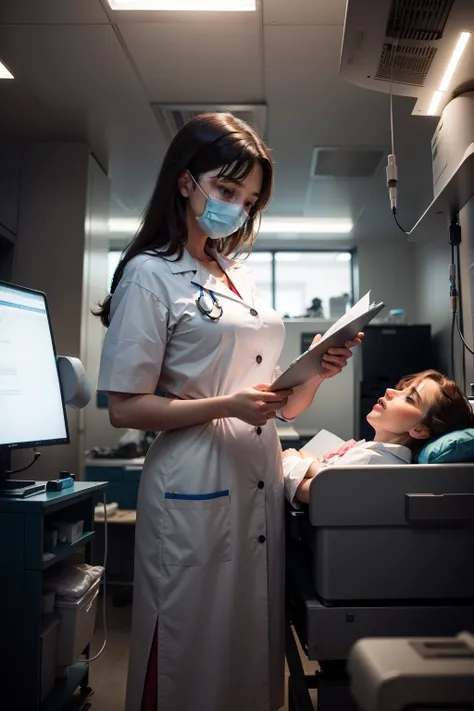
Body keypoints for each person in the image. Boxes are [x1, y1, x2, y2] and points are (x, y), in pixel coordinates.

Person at [95, 112, 362, 711]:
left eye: (248, 199)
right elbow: (123, 406)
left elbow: (269, 403)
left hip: (254, 478)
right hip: (193, 482)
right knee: (192, 656)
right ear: (185, 182)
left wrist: (316, 371)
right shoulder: (149, 275)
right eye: (226, 190)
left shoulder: (235, 275)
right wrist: (229, 405)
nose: (237, 208)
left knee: (248, 653)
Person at [283, 369, 474, 505]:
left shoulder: (372, 461)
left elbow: (313, 491)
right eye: (401, 388)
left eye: (409, 398)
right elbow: (327, 473)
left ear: (420, 430)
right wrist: (311, 464)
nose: (390, 391)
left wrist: (290, 460)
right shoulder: (377, 455)